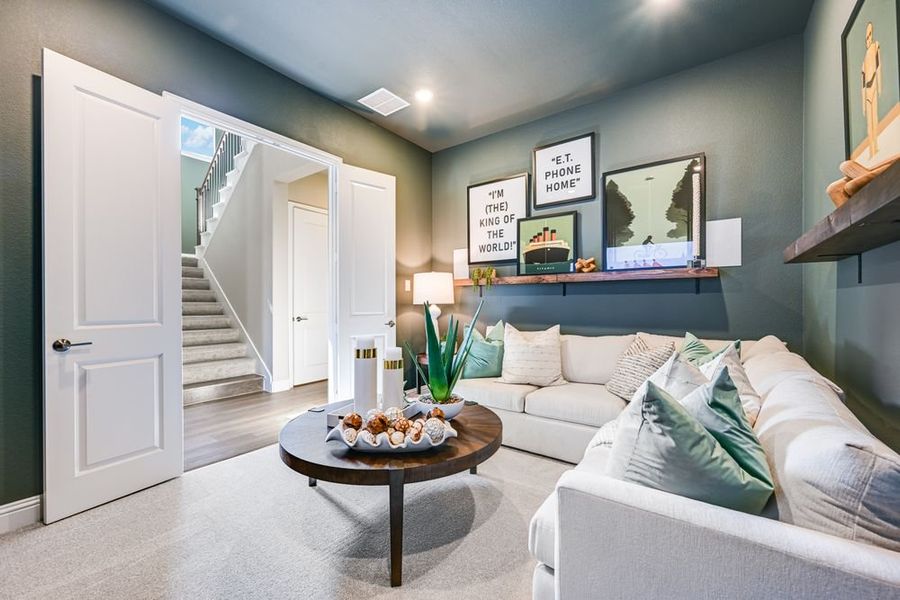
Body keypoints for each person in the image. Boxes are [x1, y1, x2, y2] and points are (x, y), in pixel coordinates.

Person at [861, 21, 883, 159]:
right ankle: (872, 150)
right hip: (868, 90)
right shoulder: (863, 62)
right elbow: (862, 85)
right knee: (870, 122)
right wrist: (863, 104)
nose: (869, 39)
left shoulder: (876, 47)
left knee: (875, 117)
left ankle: (876, 145)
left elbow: (878, 66)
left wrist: (879, 85)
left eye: (870, 35)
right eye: (866, 37)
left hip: (874, 85)